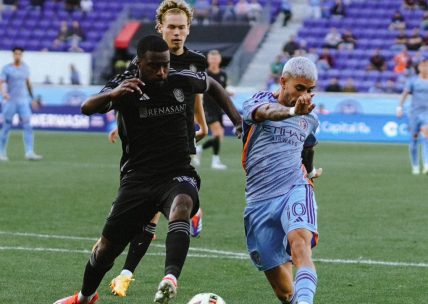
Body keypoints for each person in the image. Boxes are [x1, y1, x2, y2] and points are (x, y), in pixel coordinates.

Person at [53, 35, 242, 304]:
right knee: (106, 249)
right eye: (155, 66)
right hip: (137, 179)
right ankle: (84, 298)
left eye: (165, 64)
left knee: (182, 205)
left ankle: (169, 279)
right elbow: (87, 107)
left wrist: (237, 122)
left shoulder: (178, 77)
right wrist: (114, 95)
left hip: (177, 172)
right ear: (140, 63)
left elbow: (212, 86)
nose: (162, 71)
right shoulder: (126, 85)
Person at [102, 0, 241, 297]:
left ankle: (127, 274)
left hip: (178, 138)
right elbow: (129, 94)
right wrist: (120, 124)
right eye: (171, 27)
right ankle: (129, 270)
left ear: (188, 29)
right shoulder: (143, 59)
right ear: (160, 28)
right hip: (146, 144)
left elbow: (198, 95)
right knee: (147, 213)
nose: (177, 33)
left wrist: (201, 125)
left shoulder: (196, 60)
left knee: (156, 209)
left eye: (181, 28)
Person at [242, 56, 320, 304]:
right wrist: (291, 111)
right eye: (300, 88)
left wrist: (308, 172)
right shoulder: (258, 102)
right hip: (259, 200)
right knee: (285, 292)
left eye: (310, 90)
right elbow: (266, 113)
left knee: (300, 243)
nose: (305, 96)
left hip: (295, 188)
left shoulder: (310, 118)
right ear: (283, 81)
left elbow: (307, 147)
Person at [0, 47, 42, 161]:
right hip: (10, 101)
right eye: (16, 54)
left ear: (22, 55)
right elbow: (2, 82)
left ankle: (29, 152)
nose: (17, 56)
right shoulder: (7, 69)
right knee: (6, 126)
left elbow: (28, 84)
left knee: (28, 126)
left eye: (19, 54)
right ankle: (1, 152)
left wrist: (32, 98)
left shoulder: (25, 68)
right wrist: (4, 93)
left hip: (23, 101)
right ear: (13, 55)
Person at [194, 50, 232, 169]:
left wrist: (228, 93)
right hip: (207, 108)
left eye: (216, 58)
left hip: (218, 108)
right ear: (208, 60)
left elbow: (221, 90)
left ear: (220, 59)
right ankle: (215, 161)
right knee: (217, 133)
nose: (214, 60)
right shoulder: (204, 74)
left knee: (219, 137)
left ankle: (199, 149)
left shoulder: (223, 75)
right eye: (212, 58)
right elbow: (198, 93)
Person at [397, 58, 428, 175]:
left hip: (427, 114)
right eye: (423, 66)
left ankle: (426, 164)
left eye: (427, 66)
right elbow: (404, 94)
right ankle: (415, 165)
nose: (425, 68)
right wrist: (399, 108)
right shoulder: (413, 81)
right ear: (418, 67)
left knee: (426, 137)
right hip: (414, 114)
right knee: (414, 140)